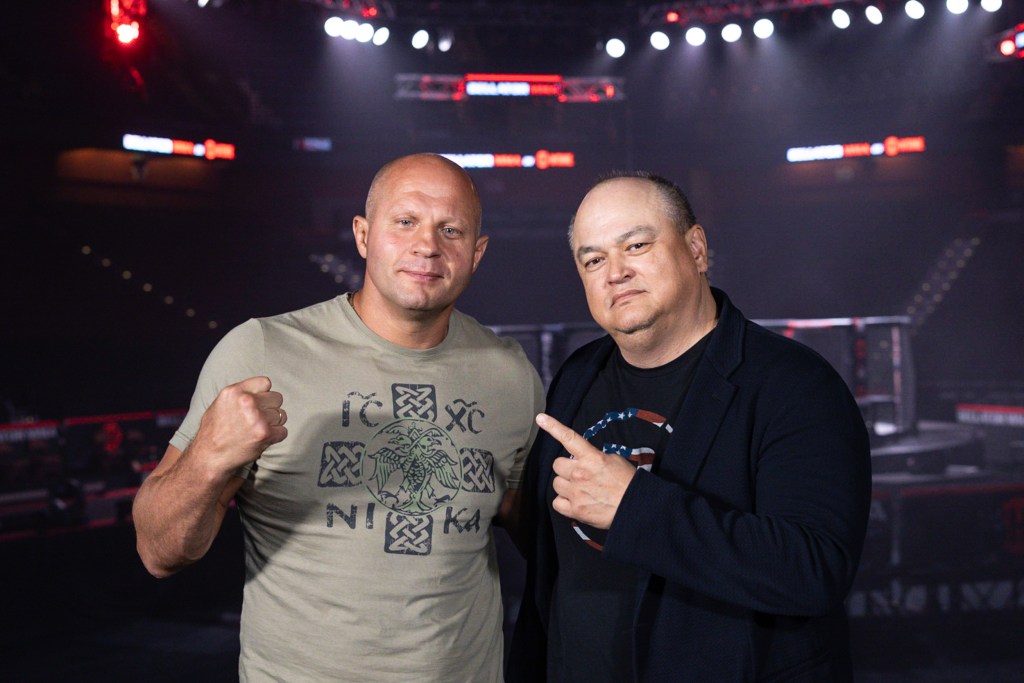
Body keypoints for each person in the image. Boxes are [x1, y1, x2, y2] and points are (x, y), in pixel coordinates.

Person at [133, 153, 544, 682]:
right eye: (405, 221)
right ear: (363, 235)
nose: (428, 245)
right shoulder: (260, 351)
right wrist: (209, 459)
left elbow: (538, 530)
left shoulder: (510, 374)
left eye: (452, 229)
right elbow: (158, 553)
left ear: (477, 252)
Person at [508, 171, 871, 682]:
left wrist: (636, 507)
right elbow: (556, 565)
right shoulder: (575, 376)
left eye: (636, 245)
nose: (615, 272)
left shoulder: (795, 384)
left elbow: (813, 570)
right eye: (593, 260)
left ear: (697, 249)